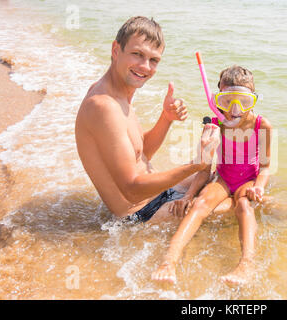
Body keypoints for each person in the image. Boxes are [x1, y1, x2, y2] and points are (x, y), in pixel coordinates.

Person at [75, 16, 221, 222]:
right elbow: (131, 191)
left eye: (154, 60)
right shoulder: (103, 106)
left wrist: (166, 118)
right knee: (235, 207)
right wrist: (195, 165)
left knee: (225, 181)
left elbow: (139, 154)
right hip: (140, 214)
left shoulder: (118, 93)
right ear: (116, 50)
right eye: (137, 54)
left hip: (159, 193)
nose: (145, 66)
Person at [152, 65, 273, 285]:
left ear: (253, 101)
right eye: (228, 102)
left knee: (243, 204)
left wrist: (260, 186)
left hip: (248, 180)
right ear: (217, 100)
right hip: (223, 179)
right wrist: (189, 195)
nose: (235, 110)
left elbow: (265, 167)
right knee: (199, 205)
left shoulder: (261, 125)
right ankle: (168, 262)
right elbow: (205, 168)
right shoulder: (215, 125)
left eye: (243, 102)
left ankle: (247, 265)